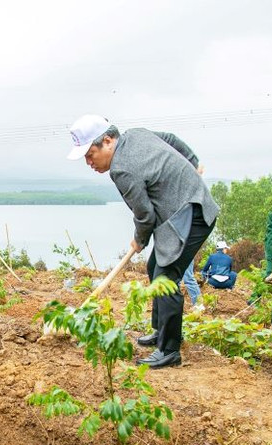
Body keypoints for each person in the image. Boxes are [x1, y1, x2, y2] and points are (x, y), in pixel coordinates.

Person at [67, 114, 218, 369]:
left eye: (90, 154)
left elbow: (145, 214)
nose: (88, 162)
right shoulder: (136, 134)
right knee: (154, 268)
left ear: (107, 141)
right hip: (183, 211)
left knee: (165, 277)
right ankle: (161, 331)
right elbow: (170, 139)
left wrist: (139, 239)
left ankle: (170, 350)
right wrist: (193, 161)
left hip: (193, 215)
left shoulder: (122, 169)